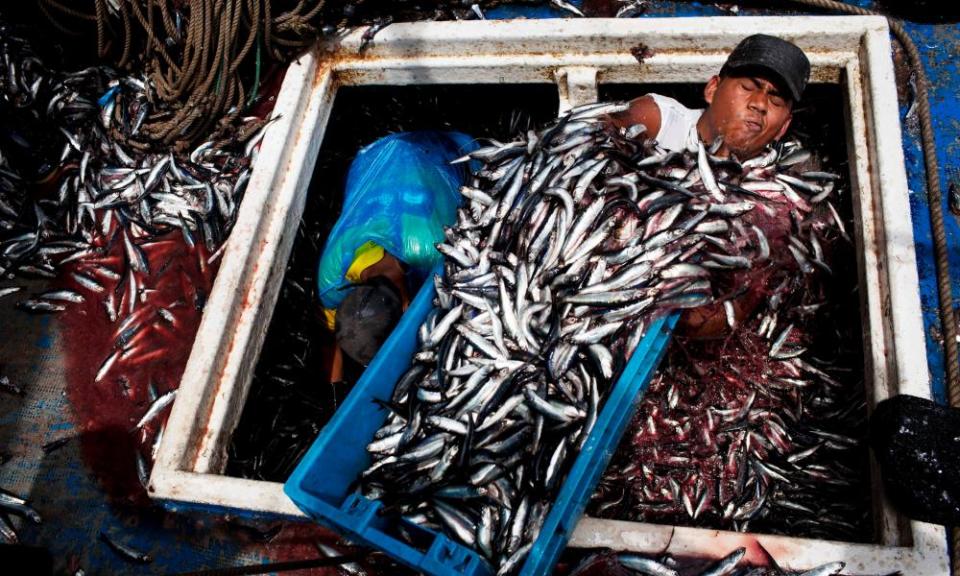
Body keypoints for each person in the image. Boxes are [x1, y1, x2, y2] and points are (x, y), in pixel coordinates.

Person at [607, 33, 811, 337]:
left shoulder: (776, 200)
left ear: (783, 127)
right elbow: (587, 145)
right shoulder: (657, 120)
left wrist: (651, 298)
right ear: (712, 89)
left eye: (776, 99)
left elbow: (725, 316)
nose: (759, 104)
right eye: (748, 87)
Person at [317, 131, 477, 381]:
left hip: (448, 149)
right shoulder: (331, 280)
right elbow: (338, 334)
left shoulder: (431, 248)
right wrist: (334, 393)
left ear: (406, 307)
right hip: (369, 157)